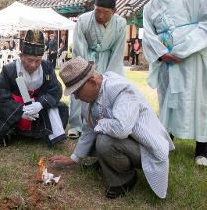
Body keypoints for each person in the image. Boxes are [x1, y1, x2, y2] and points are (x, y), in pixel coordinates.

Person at [49, 57, 174, 199]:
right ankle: (105, 163)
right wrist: (73, 159)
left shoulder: (121, 90)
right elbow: (89, 129)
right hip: (128, 143)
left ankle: (125, 179)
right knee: (98, 136)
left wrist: (101, 123)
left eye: (77, 92)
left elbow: (121, 129)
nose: (76, 98)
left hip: (146, 148)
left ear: (92, 81)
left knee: (104, 141)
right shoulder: (89, 97)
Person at [141, 0, 207, 166]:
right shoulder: (150, 7)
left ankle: (203, 148)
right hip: (168, 61)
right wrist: (162, 54)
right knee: (168, 99)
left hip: (193, 58)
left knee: (199, 100)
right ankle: (166, 139)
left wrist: (184, 49)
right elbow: (148, 36)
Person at [67, 0, 127, 140]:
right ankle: (75, 125)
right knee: (80, 89)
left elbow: (118, 52)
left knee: (109, 90)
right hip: (86, 60)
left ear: (113, 11)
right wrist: (87, 71)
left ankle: (104, 123)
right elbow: (79, 46)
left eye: (105, 12)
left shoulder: (121, 24)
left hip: (109, 60)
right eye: (97, 11)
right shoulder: (83, 20)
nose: (100, 16)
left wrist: (107, 76)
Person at [0, 30, 68, 147]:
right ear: (21, 56)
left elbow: (55, 90)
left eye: (38, 61)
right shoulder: (10, 70)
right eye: (30, 60)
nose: (33, 65)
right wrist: (20, 111)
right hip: (16, 108)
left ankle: (41, 132)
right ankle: (12, 132)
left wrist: (40, 104)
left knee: (59, 107)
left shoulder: (47, 67)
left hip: (37, 109)